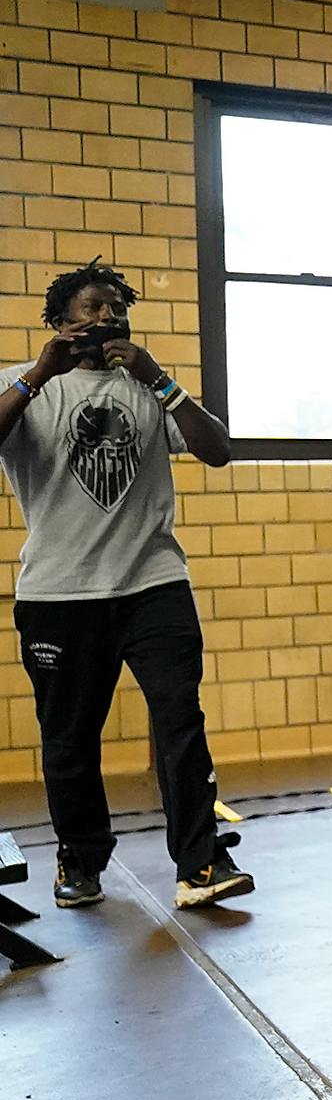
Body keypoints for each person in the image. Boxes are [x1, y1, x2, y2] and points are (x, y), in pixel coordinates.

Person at [0, 261, 252, 911]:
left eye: (116, 309)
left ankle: (199, 861)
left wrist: (158, 379)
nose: (107, 319)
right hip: (60, 595)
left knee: (179, 719)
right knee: (69, 735)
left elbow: (218, 449)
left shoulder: (146, 388)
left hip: (153, 582)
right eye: (92, 308)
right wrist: (37, 374)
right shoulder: (26, 388)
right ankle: (79, 859)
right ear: (60, 323)